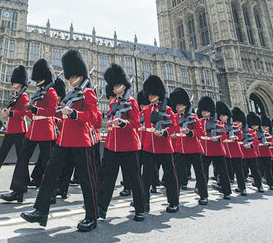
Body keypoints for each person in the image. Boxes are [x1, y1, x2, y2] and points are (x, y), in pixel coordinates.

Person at [21, 49, 99, 232]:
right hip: (63, 141)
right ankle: (40, 211)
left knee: (87, 181)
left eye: (73, 77)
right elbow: (57, 113)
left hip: (81, 142)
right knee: (49, 174)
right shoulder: (71, 95)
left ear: (80, 75)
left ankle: (91, 216)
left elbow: (94, 117)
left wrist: (74, 114)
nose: (70, 79)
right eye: (69, 77)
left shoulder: (88, 93)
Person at [1, 59, 58, 203]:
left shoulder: (51, 92)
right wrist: (30, 110)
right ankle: (17, 191)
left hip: (46, 129)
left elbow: (52, 111)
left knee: (47, 163)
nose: (37, 80)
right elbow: (33, 112)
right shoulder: (39, 92)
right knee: (22, 159)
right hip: (33, 130)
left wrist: (35, 109)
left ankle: (51, 192)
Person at [97, 63, 145, 221]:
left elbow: (137, 123)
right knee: (108, 179)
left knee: (134, 178)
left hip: (129, 145)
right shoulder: (112, 103)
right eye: (114, 85)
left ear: (124, 86)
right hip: (113, 145)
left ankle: (140, 208)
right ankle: (101, 208)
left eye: (118, 85)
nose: (116, 88)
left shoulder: (131, 102)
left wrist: (124, 124)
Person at [141, 75, 179, 213]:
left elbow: (174, 127)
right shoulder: (145, 110)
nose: (151, 97)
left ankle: (173, 202)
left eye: (153, 94)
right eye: (149, 94)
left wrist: (164, 133)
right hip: (149, 147)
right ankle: (144, 204)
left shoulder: (167, 110)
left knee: (170, 176)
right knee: (146, 177)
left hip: (164, 147)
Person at [170, 88, 208, 205]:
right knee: (177, 174)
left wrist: (190, 132)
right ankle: (174, 197)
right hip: (180, 149)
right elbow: (172, 131)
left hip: (193, 149)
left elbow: (201, 132)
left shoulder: (192, 117)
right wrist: (174, 135)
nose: (178, 106)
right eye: (176, 104)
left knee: (199, 173)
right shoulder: (175, 118)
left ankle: (203, 195)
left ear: (185, 105)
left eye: (180, 104)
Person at [197, 97, 231, 199]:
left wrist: (218, 138)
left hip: (217, 149)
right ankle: (203, 193)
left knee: (223, 171)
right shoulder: (199, 122)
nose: (203, 112)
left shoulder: (217, 123)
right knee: (203, 173)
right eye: (202, 110)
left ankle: (226, 191)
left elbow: (224, 135)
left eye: (206, 111)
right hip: (204, 150)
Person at [258, 114, 273, 190]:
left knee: (268, 169)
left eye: (266, 126)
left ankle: (271, 183)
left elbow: (271, 142)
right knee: (260, 170)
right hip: (259, 154)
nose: (265, 128)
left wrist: (269, 144)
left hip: (267, 153)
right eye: (264, 126)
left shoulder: (267, 133)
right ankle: (258, 183)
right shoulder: (257, 133)